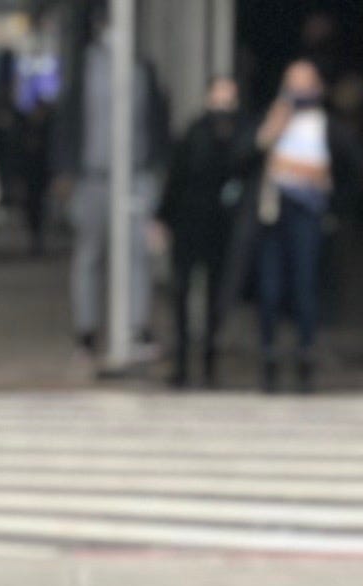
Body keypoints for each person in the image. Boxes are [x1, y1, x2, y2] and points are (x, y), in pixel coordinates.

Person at [68, 44, 169, 368]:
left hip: (136, 175)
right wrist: (65, 171)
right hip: (93, 176)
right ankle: (86, 331)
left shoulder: (143, 68)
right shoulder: (85, 67)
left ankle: (136, 327)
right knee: (90, 254)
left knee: (137, 253)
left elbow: (157, 122)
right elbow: (69, 118)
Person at [249, 59, 342, 389]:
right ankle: (269, 353)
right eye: (292, 83)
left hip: (308, 212)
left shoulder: (325, 125)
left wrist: (327, 189)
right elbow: (251, 151)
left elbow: (349, 167)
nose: (297, 91)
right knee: (270, 287)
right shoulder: (276, 118)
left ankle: (306, 352)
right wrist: (275, 125)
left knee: (305, 284)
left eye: (304, 83)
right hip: (274, 212)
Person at [159, 74, 254, 389]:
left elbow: (243, 166)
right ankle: (183, 363)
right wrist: (163, 218)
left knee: (216, 296)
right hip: (188, 222)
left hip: (220, 227)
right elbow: (176, 178)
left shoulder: (241, 133)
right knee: (182, 293)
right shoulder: (194, 132)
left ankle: (209, 362)